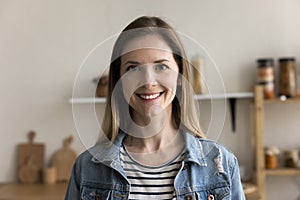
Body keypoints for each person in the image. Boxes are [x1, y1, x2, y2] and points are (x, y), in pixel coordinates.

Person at [65, 16, 245, 200]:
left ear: (180, 76)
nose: (148, 82)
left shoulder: (221, 165)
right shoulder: (87, 169)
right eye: (133, 68)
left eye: (161, 66)